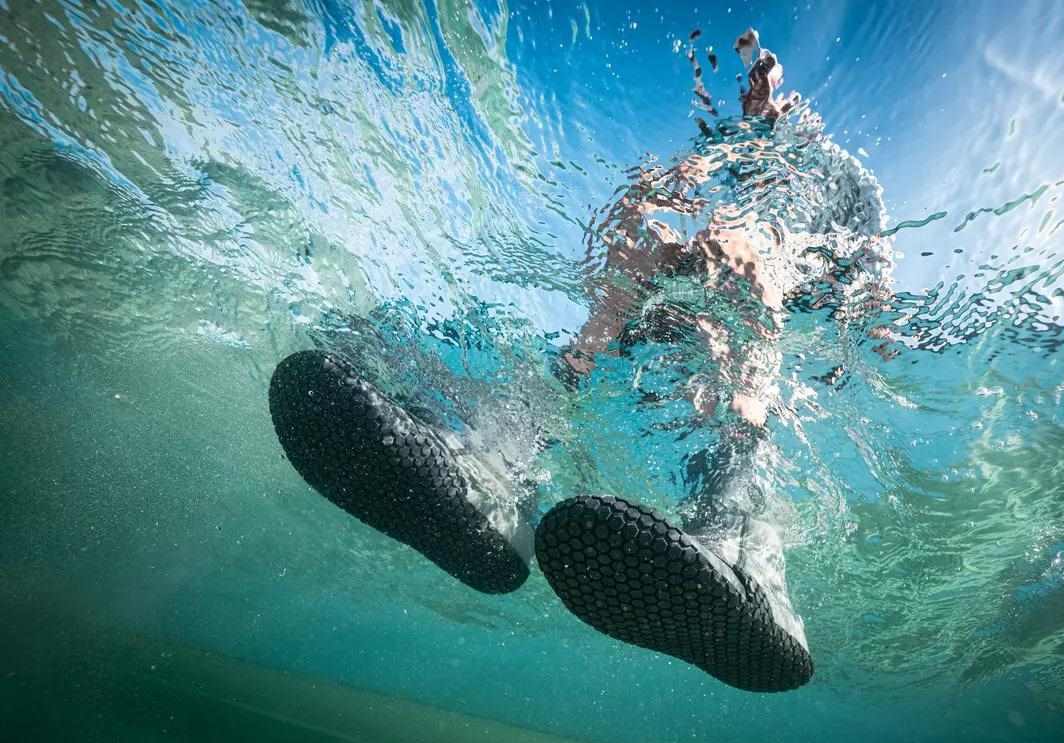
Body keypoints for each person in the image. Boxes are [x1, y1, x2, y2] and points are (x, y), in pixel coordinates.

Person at [268, 29, 894, 693]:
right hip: (657, 330)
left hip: (753, 338)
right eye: (750, 73)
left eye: (768, 70)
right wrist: (649, 206)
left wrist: (815, 296)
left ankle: (733, 543)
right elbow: (648, 206)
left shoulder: (843, 178)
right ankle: (495, 470)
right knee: (637, 254)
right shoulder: (724, 151)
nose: (756, 84)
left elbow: (874, 280)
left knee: (742, 260)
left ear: (800, 98)